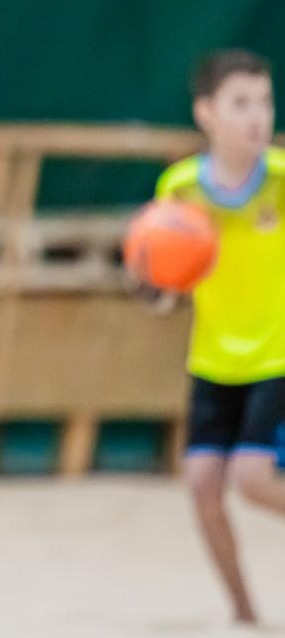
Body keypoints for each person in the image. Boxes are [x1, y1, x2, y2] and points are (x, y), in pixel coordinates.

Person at [153, 48, 285, 625]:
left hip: (276, 356)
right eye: (241, 103)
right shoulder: (180, 188)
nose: (258, 117)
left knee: (252, 478)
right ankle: (244, 612)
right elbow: (165, 286)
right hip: (211, 359)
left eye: (265, 102)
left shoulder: (280, 180)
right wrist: (153, 291)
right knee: (203, 484)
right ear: (206, 112)